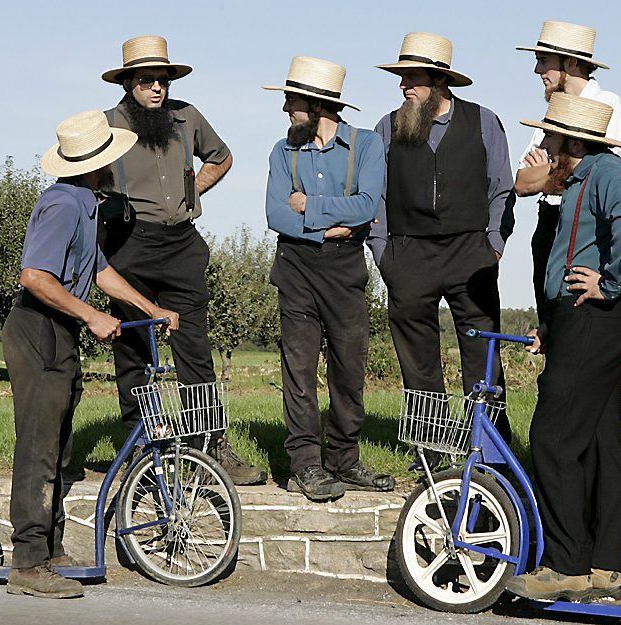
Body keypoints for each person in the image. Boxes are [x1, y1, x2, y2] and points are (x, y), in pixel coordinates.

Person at [3, 110, 179, 598]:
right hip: (37, 329)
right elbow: (34, 277)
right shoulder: (62, 204)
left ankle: (52, 547)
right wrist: (92, 317)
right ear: (94, 163)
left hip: (58, 332)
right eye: (109, 159)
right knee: (39, 445)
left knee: (60, 445)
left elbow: (100, 271)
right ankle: (28, 562)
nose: (114, 166)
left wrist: (151, 307)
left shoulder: (86, 203)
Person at [99, 35, 265, 485]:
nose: (157, 88)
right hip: (129, 242)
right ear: (129, 82)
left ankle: (211, 447)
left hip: (181, 245)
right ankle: (138, 442)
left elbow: (222, 157)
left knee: (195, 348)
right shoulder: (107, 124)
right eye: (147, 80)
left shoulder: (186, 116)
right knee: (133, 347)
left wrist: (195, 191)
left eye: (163, 80)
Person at [505, 93, 621, 602]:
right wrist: (551, 322)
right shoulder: (578, 180)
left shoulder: (605, 172)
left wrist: (610, 281)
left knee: (553, 436)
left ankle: (566, 566)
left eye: (548, 137)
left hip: (595, 318)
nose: (541, 145)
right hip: (576, 321)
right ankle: (605, 566)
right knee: (599, 443)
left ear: (571, 141)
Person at [367, 32, 516, 442]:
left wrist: (494, 247)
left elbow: (502, 187)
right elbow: (374, 194)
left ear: (439, 82)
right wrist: (384, 252)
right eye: (402, 78)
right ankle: (431, 448)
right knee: (418, 361)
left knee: (482, 351)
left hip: (472, 252)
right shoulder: (386, 127)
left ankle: (487, 447)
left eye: (412, 78)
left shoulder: (485, 121)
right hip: (408, 254)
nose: (403, 86)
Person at [263, 56, 392, 501]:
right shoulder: (283, 151)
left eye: (291, 102)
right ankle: (305, 465)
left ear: (317, 104)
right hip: (295, 265)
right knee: (298, 370)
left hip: (344, 267)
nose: (285, 111)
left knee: (348, 366)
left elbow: (367, 206)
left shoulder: (367, 145)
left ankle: (344, 459)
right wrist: (329, 220)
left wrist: (310, 207)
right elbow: (276, 213)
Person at [514, 20, 621, 327]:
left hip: (588, 228)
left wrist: (549, 169)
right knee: (550, 322)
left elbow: (597, 175)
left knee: (582, 319)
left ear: (570, 63)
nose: (537, 72)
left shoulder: (611, 106)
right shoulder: (551, 113)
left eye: (544, 62)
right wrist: (562, 169)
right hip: (548, 223)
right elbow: (521, 183)